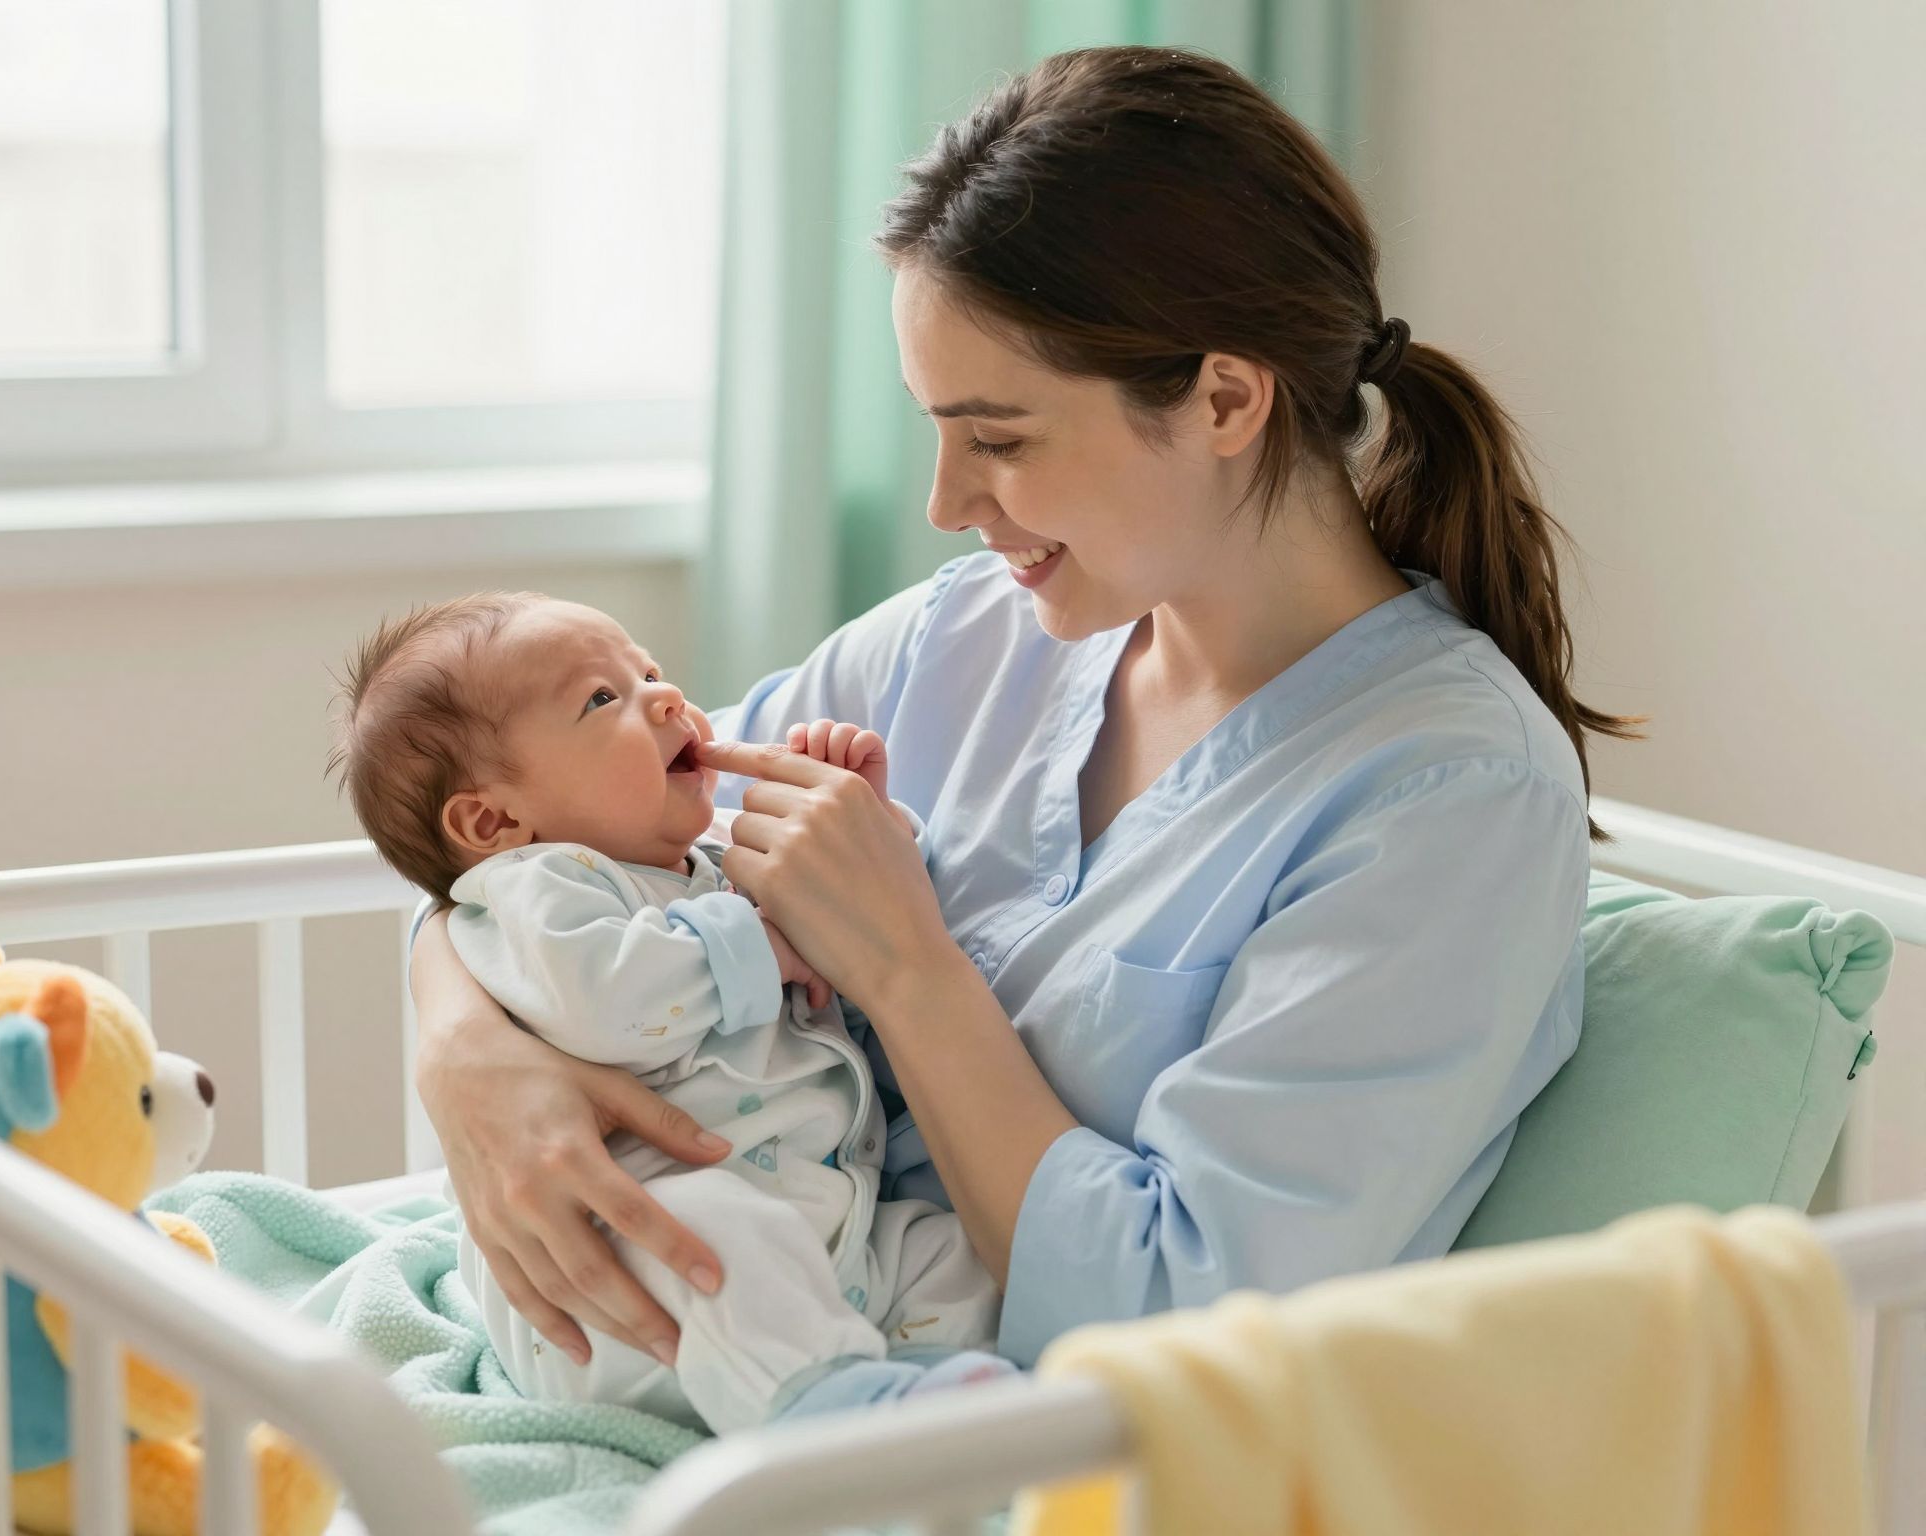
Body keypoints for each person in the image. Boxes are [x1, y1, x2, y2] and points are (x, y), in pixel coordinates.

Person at [407, 45, 1634, 1376]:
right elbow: (549, 825)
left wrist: (905, 967)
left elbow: (1182, 1320)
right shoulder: (971, 637)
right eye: (936, 430)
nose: (946, 503)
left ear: (1226, 397)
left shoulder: (1446, 797)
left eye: (999, 439)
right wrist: (468, 1055)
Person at [330, 593, 1002, 1431]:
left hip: (825, 1229)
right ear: (495, 819)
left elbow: (870, 918)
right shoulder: (537, 890)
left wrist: (861, 824)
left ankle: (941, 1396)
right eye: (602, 699)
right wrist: (761, 944)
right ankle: (825, 1412)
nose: (667, 697)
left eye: (649, 671)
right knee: (716, 1237)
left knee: (949, 1254)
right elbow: (606, 997)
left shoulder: (708, 860)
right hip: (626, 1272)